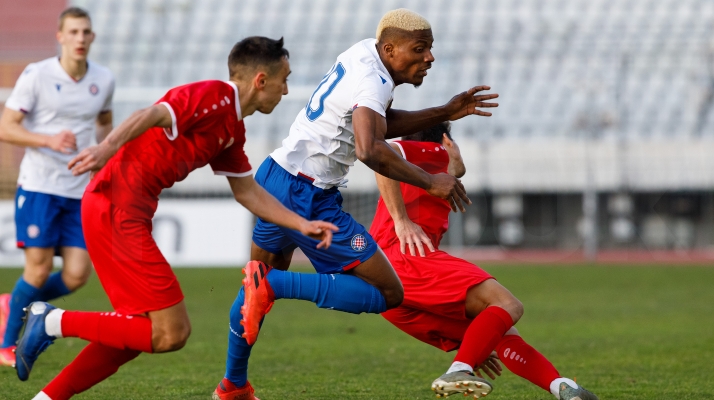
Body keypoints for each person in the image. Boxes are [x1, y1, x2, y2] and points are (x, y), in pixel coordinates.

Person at [13, 36, 338, 400]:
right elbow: (150, 114)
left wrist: (301, 224)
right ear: (261, 80)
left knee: (134, 331)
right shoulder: (213, 95)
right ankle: (51, 319)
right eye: (284, 79)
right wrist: (106, 147)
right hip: (115, 208)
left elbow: (247, 192)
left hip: (123, 211)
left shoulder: (233, 130)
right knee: (171, 332)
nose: (287, 89)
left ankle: (47, 397)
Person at [213, 8, 499, 400]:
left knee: (252, 290)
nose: (429, 58)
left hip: (275, 177)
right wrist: (430, 180)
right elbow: (369, 148)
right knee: (387, 293)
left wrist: (444, 112)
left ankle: (232, 385)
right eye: (420, 49)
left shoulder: (363, 53)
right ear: (390, 49)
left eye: (430, 50)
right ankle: (276, 285)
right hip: (309, 196)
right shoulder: (374, 79)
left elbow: (378, 122)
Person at [372, 122, 599, 400]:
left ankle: (562, 387)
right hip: (406, 262)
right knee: (507, 304)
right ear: (446, 140)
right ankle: (460, 368)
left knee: (500, 330)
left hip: (388, 291)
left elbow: (429, 171)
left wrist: (456, 169)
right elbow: (383, 153)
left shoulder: (431, 179)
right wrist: (401, 220)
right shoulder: (433, 151)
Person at [0, 7, 114, 367]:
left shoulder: (104, 79)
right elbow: (6, 127)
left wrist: (102, 152)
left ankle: (11, 303)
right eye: (74, 32)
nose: (80, 38)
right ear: (60, 36)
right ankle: (5, 344)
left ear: (92, 37)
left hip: (79, 189)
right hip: (39, 186)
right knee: (37, 268)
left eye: (86, 32)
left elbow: (105, 123)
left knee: (77, 274)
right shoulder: (37, 75)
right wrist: (48, 140)